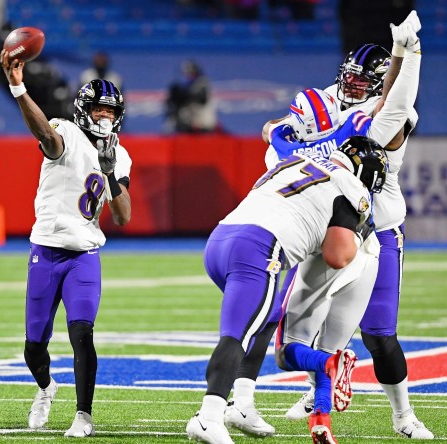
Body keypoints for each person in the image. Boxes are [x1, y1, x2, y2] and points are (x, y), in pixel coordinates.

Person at [224, 12, 428, 441]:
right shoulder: (317, 100)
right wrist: (276, 131)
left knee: (378, 333)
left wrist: (406, 56)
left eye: (362, 81)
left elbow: (391, 110)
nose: (351, 86)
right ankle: (258, 399)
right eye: (349, 77)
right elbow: (276, 137)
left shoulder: (387, 115)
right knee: (279, 315)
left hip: (375, 229)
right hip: (317, 220)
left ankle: (403, 414)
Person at [184, 127, 389, 444]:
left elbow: (272, 135)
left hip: (221, 239)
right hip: (259, 247)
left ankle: (242, 405)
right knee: (237, 335)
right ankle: (209, 416)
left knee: (267, 318)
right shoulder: (352, 188)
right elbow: (337, 255)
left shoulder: (295, 161)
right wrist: (360, 231)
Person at [1, 49, 132, 437]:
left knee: (81, 333)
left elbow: (123, 216)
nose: (105, 118)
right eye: (99, 111)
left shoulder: (119, 155)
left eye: (111, 112)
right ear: (83, 111)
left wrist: (108, 171)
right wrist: (18, 87)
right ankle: (45, 387)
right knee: (33, 347)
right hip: (46, 249)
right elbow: (46, 134)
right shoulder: (67, 132)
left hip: (85, 255)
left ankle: (83, 415)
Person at [165, 60, 217, 134]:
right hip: (190, 124)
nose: (187, 76)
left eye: (189, 73)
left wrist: (181, 96)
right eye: (185, 73)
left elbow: (201, 99)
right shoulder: (188, 86)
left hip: (203, 124)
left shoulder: (202, 84)